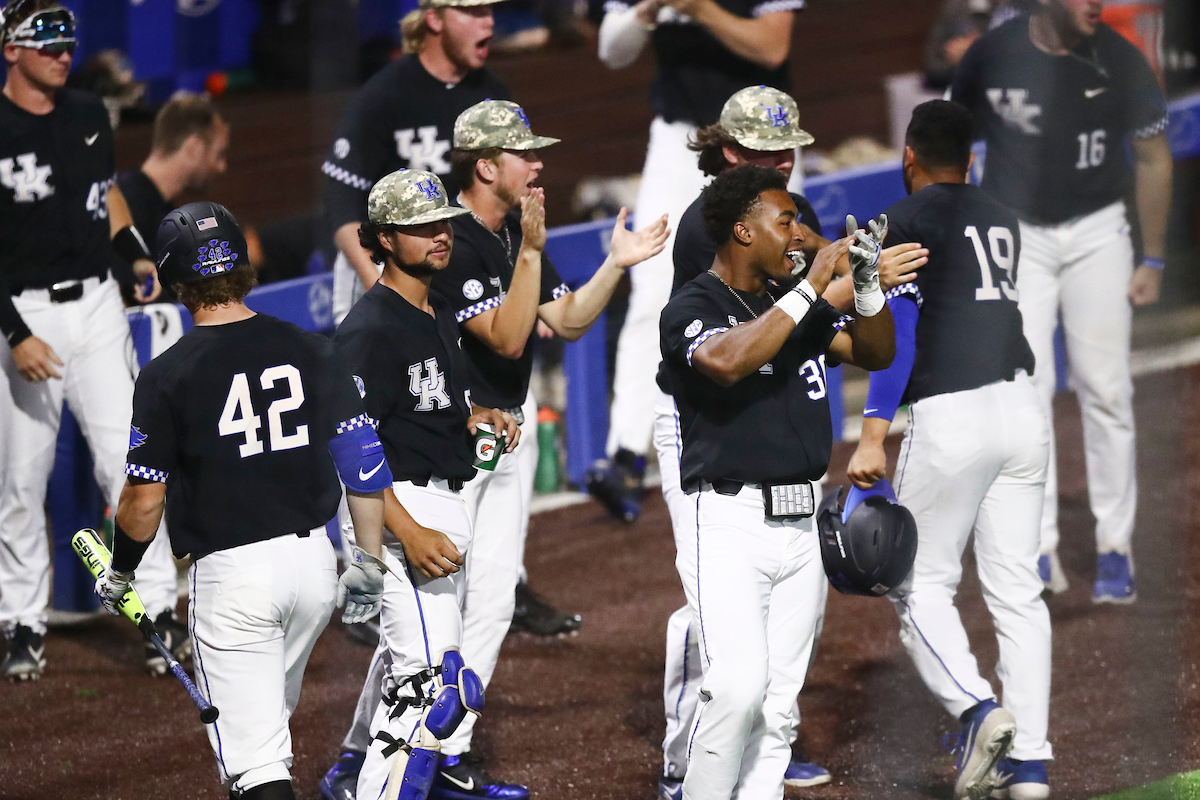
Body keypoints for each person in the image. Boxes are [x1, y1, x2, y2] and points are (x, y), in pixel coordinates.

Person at [650, 86, 931, 799]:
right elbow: (725, 357)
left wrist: (861, 287)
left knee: (775, 706)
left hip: (798, 507)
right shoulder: (704, 255)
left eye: (788, 154)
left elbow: (868, 349)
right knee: (736, 684)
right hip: (723, 471)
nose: (799, 230)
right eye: (785, 226)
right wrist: (814, 289)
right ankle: (687, 770)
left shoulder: (785, 270)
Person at [94, 201, 392, 800]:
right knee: (263, 740)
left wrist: (121, 569)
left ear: (177, 281)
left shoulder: (166, 375)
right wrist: (368, 560)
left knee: (257, 767)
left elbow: (143, 500)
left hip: (234, 584)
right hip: (313, 574)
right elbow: (362, 461)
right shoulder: (312, 348)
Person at [431, 98, 669, 768]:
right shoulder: (450, 238)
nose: (539, 164)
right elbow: (508, 338)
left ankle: (450, 750)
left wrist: (616, 264)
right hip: (451, 435)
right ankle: (373, 748)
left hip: (508, 429)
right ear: (484, 165)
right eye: (525, 154)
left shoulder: (514, 232)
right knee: (433, 608)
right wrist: (534, 252)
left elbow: (565, 322)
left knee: (497, 594)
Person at [847, 100, 1053, 800]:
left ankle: (976, 709)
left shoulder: (905, 221)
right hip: (1024, 408)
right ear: (972, 159)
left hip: (954, 414)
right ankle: (1028, 770)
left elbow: (895, 331)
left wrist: (874, 431)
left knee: (917, 582)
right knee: (1019, 594)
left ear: (909, 157)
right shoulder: (1000, 213)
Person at [950, 0, 1173, 601]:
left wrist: (1151, 258)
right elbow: (946, 143)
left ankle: (1115, 548)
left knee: (1107, 388)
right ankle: (1039, 547)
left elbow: (1154, 157)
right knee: (1028, 391)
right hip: (1018, 233)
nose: (1096, 3)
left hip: (1099, 230)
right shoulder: (991, 54)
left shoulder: (1121, 59)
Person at [0, 0, 183, 682]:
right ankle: (22, 620)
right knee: (21, 479)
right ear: (9, 48)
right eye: (43, 37)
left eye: (67, 36)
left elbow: (106, 196)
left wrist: (134, 253)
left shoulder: (86, 115)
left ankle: (157, 609)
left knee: (131, 462)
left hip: (98, 307)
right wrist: (16, 334)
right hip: (24, 313)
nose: (61, 48)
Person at [330, 169, 527, 800]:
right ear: (384, 239)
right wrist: (407, 530)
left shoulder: (434, 310)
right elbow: (349, 449)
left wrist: (474, 416)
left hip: (439, 497)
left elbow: (425, 403)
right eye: (420, 227)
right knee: (430, 684)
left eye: (442, 223)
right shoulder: (369, 331)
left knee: (417, 675)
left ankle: (354, 776)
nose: (440, 235)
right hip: (396, 506)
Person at [587, 0, 806, 520]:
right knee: (650, 286)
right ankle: (625, 452)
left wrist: (699, 8)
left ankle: (783, 422)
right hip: (678, 138)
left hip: (761, 141)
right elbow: (611, 50)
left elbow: (773, 44)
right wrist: (648, 10)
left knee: (778, 278)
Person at [322, 0, 509, 325]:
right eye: (474, 11)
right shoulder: (384, 95)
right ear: (435, 19)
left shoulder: (492, 96)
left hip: (458, 269)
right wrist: (379, 285)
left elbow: (508, 198)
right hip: (383, 265)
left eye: (489, 11)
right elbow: (342, 205)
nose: (488, 22)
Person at [117, 92, 229, 277]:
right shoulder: (127, 209)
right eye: (219, 154)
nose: (222, 167)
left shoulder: (154, 208)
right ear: (194, 148)